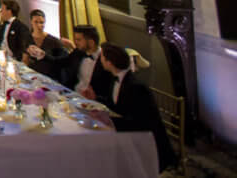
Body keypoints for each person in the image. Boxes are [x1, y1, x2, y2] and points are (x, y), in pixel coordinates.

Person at [100, 43, 177, 172]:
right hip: (131, 131)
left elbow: (139, 123)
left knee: (103, 148)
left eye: (102, 57)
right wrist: (95, 98)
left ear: (109, 63)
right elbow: (117, 106)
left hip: (146, 141)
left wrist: (108, 120)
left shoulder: (136, 87)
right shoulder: (116, 79)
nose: (100, 60)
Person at [60, 24, 113, 101]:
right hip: (72, 95)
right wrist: (44, 55)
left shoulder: (106, 61)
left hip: (92, 102)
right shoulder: (79, 52)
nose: (75, 42)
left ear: (91, 42)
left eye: (79, 40)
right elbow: (61, 62)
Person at [23, 9, 67, 78]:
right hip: (34, 75)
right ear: (31, 22)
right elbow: (25, 60)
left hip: (49, 76)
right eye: (36, 22)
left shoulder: (53, 41)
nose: (39, 25)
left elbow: (61, 62)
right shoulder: (28, 38)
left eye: (41, 22)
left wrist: (45, 56)